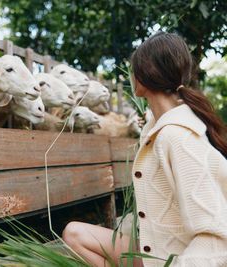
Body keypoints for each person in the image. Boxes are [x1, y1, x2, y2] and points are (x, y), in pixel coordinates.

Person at [62, 32, 227, 267]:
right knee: (74, 234)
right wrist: (150, 121)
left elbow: (216, 239)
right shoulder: (165, 127)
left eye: (134, 69)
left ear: (147, 72)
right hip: (157, 252)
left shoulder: (178, 137)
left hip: (181, 260)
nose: (132, 77)